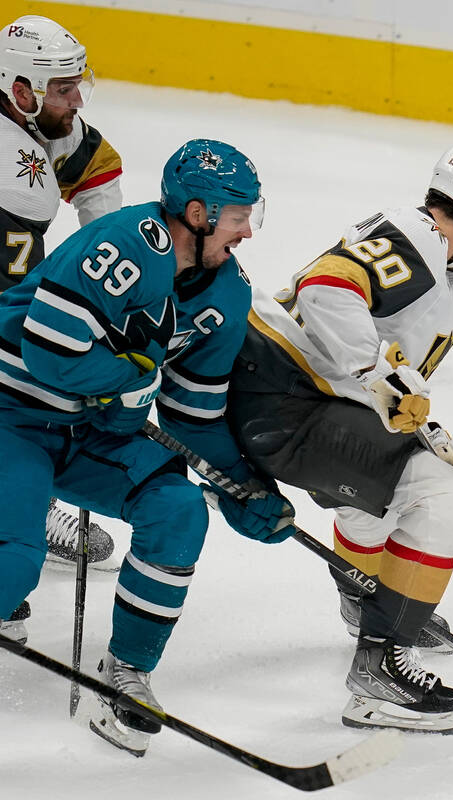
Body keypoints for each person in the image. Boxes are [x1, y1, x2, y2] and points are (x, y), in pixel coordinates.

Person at [0, 139, 297, 756]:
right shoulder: (129, 242)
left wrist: (239, 481)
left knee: (177, 511)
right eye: (238, 217)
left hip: (86, 436)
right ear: (198, 212)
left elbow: (193, 413)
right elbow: (49, 346)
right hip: (12, 415)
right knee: (13, 565)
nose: (246, 232)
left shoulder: (226, 295)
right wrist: (124, 380)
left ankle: (127, 671)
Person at [225, 140, 453, 735]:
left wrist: (411, 417)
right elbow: (325, 288)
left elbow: (368, 361)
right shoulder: (421, 237)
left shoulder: (422, 254)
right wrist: (381, 375)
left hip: (281, 394)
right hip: (284, 395)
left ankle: (371, 602)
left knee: (387, 489)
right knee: (444, 493)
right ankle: (380, 669)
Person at [0, 14, 124, 573]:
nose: (76, 100)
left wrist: (116, 276)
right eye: (63, 89)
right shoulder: (12, 175)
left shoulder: (39, 123)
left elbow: (96, 173)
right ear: (19, 91)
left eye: (78, 84)